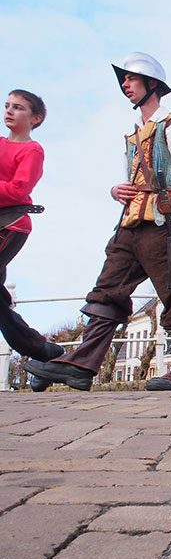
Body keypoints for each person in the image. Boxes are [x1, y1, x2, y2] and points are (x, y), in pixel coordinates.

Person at [25, 53, 171, 391]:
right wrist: (115, 190)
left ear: (152, 84)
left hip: (162, 221)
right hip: (129, 222)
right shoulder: (133, 131)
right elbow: (135, 176)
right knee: (107, 291)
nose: (125, 85)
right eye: (123, 80)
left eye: (131, 79)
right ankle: (82, 365)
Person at [1, 90, 65, 391]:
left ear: (35, 118)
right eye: (7, 106)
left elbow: (18, 189)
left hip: (10, 227)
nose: (10, 111)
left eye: (19, 108)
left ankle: (41, 350)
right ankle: (44, 353)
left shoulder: (32, 150)